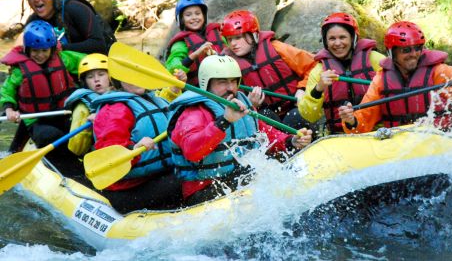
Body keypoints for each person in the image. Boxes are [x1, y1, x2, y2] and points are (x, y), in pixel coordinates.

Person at [168, 55, 313, 206]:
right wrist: (224, 122)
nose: (230, 88)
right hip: (205, 187)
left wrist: (290, 140)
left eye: (233, 81)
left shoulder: (240, 102)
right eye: (222, 82)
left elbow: (263, 133)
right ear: (207, 83)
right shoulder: (193, 112)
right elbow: (192, 152)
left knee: (286, 171)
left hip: (239, 175)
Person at [339, 21, 452, 132]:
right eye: (406, 50)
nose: (414, 54)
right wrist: (350, 120)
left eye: (417, 48)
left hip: (436, 140)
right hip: (399, 145)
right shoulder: (381, 80)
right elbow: (363, 123)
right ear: (391, 53)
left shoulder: (439, 72)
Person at [89, 72, 186, 213]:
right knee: (186, 179)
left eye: (140, 74)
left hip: (157, 176)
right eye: (129, 76)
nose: (136, 79)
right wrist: (134, 148)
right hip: (129, 189)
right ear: (118, 81)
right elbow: (108, 156)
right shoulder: (114, 109)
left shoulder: (152, 99)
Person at [0, 20, 85, 173]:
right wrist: (8, 109)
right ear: (27, 49)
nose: (40, 55)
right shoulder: (20, 71)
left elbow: (87, 61)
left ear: (52, 49)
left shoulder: (64, 59)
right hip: (37, 121)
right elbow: (6, 92)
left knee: (79, 133)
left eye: (45, 50)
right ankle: (73, 171)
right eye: (35, 51)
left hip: (65, 114)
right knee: (50, 135)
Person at [221, 10, 316, 129]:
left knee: (296, 117)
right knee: (264, 118)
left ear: (253, 35)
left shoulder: (277, 48)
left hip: (294, 106)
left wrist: (303, 89)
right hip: (263, 113)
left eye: (238, 37)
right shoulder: (228, 63)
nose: (233, 44)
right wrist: (249, 104)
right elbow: (226, 98)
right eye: (229, 39)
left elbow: (314, 66)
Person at [299, 13, 385, 135]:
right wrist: (318, 89)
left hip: (377, 131)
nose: (338, 43)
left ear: (353, 38)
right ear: (325, 42)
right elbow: (309, 116)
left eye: (342, 37)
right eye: (332, 39)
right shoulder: (319, 71)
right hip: (339, 136)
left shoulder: (375, 60)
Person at [20, 0, 114, 54]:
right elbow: (24, 49)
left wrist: (62, 48)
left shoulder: (75, 9)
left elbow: (99, 44)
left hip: (98, 65)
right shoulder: (32, 22)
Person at [165, 0, 225, 86]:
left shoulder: (218, 33)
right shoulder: (180, 43)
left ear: (204, 15)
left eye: (198, 13)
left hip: (225, 84)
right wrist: (195, 55)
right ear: (181, 19)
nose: (194, 17)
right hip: (199, 92)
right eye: (188, 15)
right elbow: (172, 68)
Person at [64, 53, 114, 157]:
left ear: (110, 76)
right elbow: (76, 149)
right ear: (85, 83)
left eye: (101, 74)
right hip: (98, 155)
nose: (96, 79)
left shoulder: (122, 94)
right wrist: (88, 128)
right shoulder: (83, 108)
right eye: (90, 77)